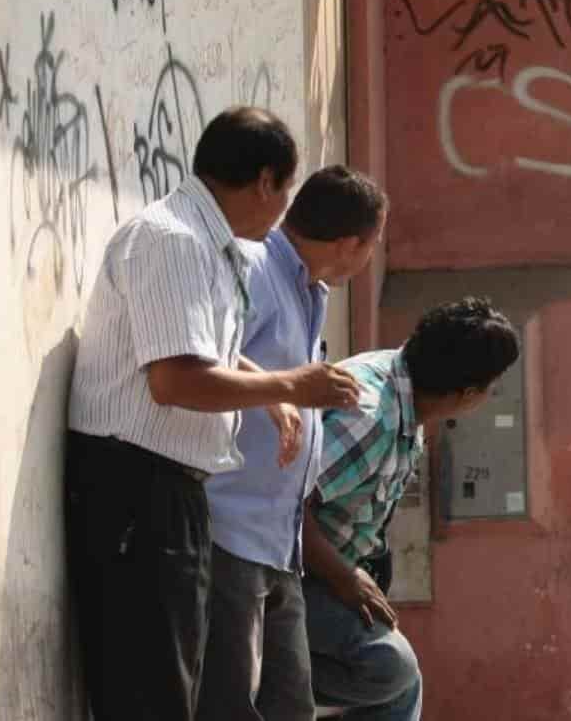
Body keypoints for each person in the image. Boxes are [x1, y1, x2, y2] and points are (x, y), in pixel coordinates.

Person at [66, 107, 362, 721]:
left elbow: (211, 352)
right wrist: (292, 383)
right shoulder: (173, 240)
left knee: (177, 688)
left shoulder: (211, 246)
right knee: (151, 694)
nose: (283, 214)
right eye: (285, 193)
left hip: (171, 492)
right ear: (264, 182)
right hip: (135, 488)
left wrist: (271, 392)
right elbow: (174, 379)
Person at [196, 166, 389, 721]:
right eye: (372, 245)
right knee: (228, 704)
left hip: (279, 542)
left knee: (288, 706)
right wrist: (282, 391)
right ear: (352, 244)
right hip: (230, 525)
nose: (368, 257)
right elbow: (203, 346)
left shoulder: (310, 290)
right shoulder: (255, 266)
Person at [303, 297, 521, 720]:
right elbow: (284, 508)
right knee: (389, 668)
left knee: (400, 684)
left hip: (321, 571)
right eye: (489, 387)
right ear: (468, 394)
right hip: (279, 573)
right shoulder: (372, 419)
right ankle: (267, 673)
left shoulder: (405, 395)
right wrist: (344, 577)